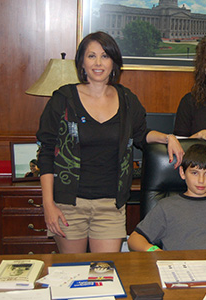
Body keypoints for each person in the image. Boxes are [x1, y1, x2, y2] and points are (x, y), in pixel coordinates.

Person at [36, 31, 184, 254]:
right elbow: (46, 153)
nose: (98, 63)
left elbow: (141, 135)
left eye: (105, 56)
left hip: (110, 205)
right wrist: (48, 204)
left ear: (114, 62)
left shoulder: (127, 100)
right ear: (82, 62)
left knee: (105, 272)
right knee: (71, 272)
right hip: (69, 205)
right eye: (91, 56)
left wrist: (168, 137)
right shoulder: (63, 99)